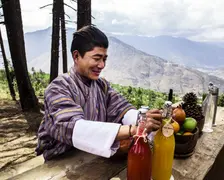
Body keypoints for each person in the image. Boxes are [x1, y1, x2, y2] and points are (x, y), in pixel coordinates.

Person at [35, 25, 162, 160]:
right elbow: (72, 127)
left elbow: (122, 109)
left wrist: (143, 118)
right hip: (59, 160)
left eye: (104, 59)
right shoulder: (58, 88)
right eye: (97, 58)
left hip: (92, 157)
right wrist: (132, 129)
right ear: (76, 56)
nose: (102, 65)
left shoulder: (102, 86)